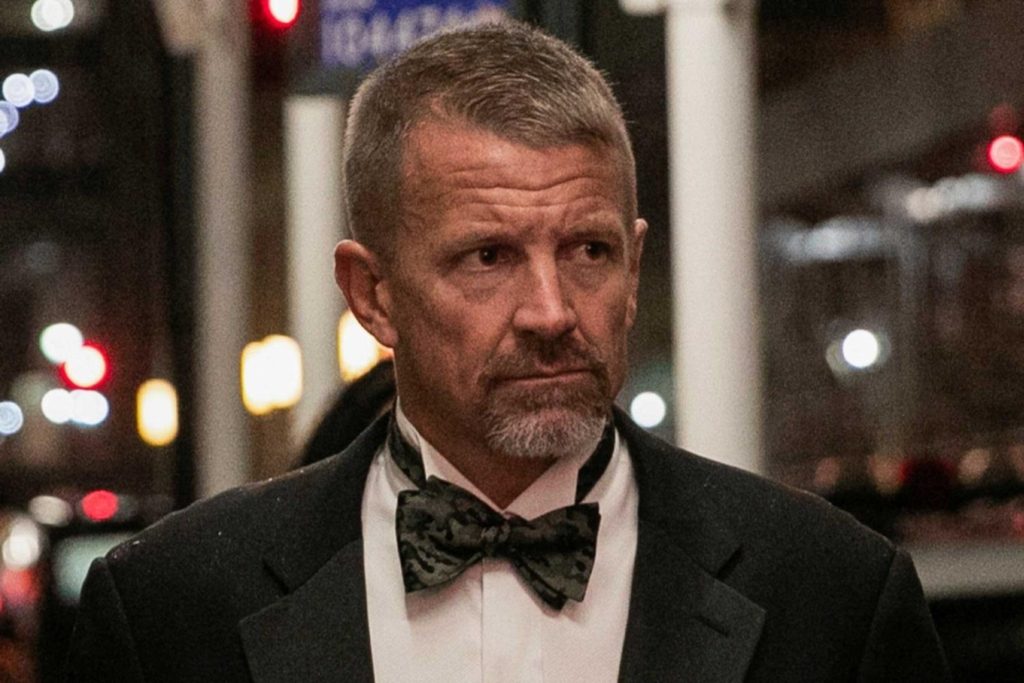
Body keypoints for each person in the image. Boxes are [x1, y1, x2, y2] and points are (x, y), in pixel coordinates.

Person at [66, 21, 949, 682]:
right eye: (488, 257)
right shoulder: (174, 610)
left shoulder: (830, 596)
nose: (552, 311)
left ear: (634, 268)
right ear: (372, 295)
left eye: (589, 251)